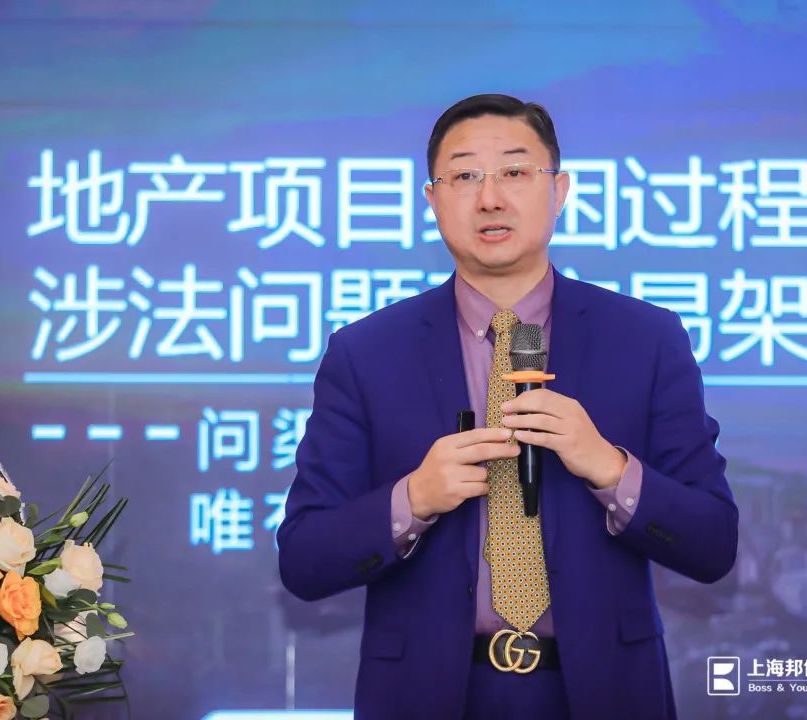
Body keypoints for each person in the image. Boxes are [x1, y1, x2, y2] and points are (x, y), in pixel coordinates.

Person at [277, 93, 738, 719]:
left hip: (604, 695)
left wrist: (610, 468)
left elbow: (713, 544)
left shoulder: (646, 339)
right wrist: (413, 499)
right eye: (465, 176)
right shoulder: (366, 354)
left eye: (516, 171)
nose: (490, 198)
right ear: (432, 200)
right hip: (425, 698)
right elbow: (304, 560)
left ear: (560, 190)